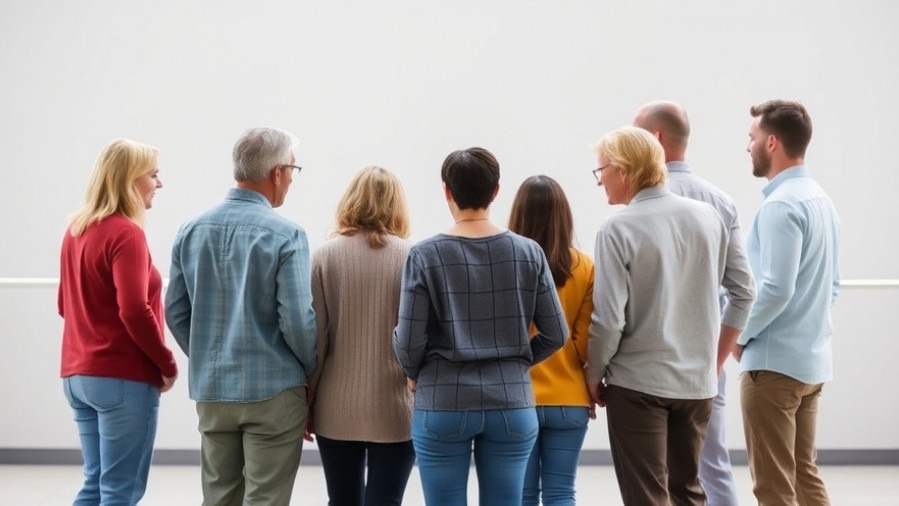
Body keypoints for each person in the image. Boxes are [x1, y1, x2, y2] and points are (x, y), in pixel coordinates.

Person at [587, 126, 754, 506]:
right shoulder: (708, 217)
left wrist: (593, 375)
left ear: (624, 169)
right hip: (696, 385)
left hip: (638, 385)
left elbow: (608, 321)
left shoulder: (617, 228)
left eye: (602, 170)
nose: (599, 181)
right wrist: (714, 360)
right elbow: (744, 292)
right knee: (688, 492)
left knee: (646, 496)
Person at [392, 147, 568, 505]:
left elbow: (409, 340)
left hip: (442, 400)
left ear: (447, 191)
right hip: (512, 403)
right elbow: (556, 334)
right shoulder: (529, 252)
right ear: (496, 191)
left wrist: (413, 372)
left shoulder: (424, 255)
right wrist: (517, 360)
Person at [165, 127, 316, 505]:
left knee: (219, 497)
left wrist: (207, 355)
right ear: (277, 173)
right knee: (266, 499)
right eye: (293, 170)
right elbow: (297, 320)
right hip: (274, 391)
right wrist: (311, 371)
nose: (292, 180)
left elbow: (175, 312)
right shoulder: (288, 235)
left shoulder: (190, 230)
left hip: (213, 390)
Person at [634, 100, 755, 505]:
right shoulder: (720, 201)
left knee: (652, 474)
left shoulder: (637, 203)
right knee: (711, 464)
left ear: (655, 138)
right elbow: (743, 291)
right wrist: (716, 360)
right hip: (703, 361)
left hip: (646, 367)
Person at [58, 138, 178, 505]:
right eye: (153, 175)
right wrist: (167, 363)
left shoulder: (75, 231)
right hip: (123, 378)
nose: (159, 183)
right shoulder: (127, 233)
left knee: (95, 486)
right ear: (129, 179)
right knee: (120, 491)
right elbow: (134, 310)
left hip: (77, 377)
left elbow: (64, 305)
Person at [737, 100, 840, 506]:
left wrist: (738, 336)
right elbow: (832, 286)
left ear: (772, 142)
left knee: (774, 488)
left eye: (752, 137)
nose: (748, 146)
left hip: (773, 368)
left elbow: (776, 289)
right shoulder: (821, 200)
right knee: (803, 476)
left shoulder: (780, 205)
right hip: (811, 363)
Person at [308, 166, 415, 506]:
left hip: (335, 406)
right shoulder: (412, 257)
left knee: (342, 501)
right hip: (395, 406)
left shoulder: (324, 256)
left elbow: (316, 342)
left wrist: (307, 400)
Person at [508, 175, 595, 506]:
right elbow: (584, 344)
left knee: (523, 495)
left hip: (517, 398)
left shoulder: (507, 263)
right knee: (561, 493)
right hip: (569, 399)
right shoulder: (584, 266)